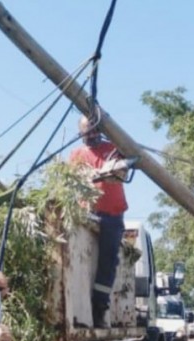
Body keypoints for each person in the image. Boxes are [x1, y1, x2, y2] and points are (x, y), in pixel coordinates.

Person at [69, 113, 128, 328]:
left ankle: (99, 308)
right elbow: (71, 183)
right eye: (88, 131)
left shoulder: (112, 148)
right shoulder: (75, 155)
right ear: (80, 132)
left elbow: (121, 167)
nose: (92, 134)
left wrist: (108, 169)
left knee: (108, 262)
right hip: (86, 215)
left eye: (95, 130)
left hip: (112, 214)